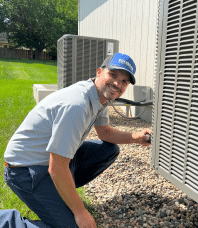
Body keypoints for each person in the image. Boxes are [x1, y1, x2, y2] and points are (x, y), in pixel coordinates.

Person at [0, 53, 151, 228]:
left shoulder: (99, 97)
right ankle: (7, 221)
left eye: (124, 81)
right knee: (75, 226)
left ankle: (60, 194)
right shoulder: (77, 105)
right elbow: (56, 167)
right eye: (113, 75)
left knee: (108, 150)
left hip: (48, 162)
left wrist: (135, 137)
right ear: (99, 72)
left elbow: (105, 133)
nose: (117, 84)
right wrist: (80, 212)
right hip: (25, 172)